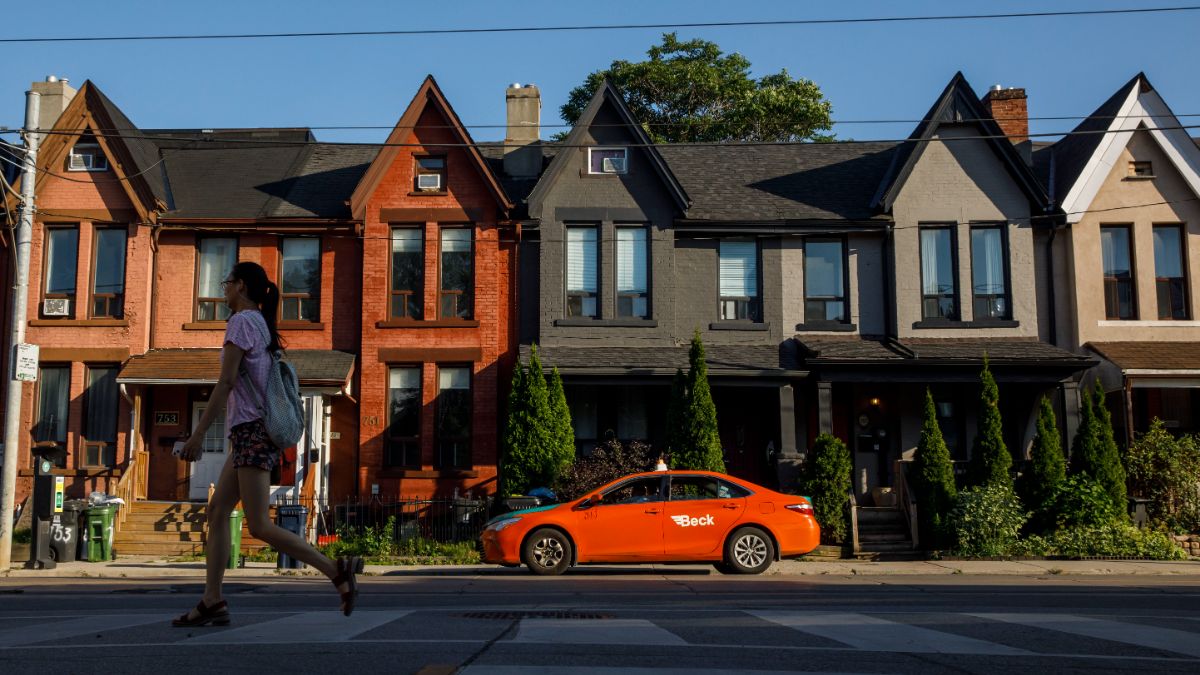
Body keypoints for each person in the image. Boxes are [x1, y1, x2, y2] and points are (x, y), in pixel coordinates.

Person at [172, 261, 360, 627]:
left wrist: (197, 436)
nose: (223, 289)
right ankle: (212, 600)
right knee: (217, 511)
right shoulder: (259, 323)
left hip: (251, 431)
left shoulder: (242, 322)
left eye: (227, 283)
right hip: (250, 432)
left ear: (240, 286)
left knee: (258, 525)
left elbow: (225, 383)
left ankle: (335, 570)